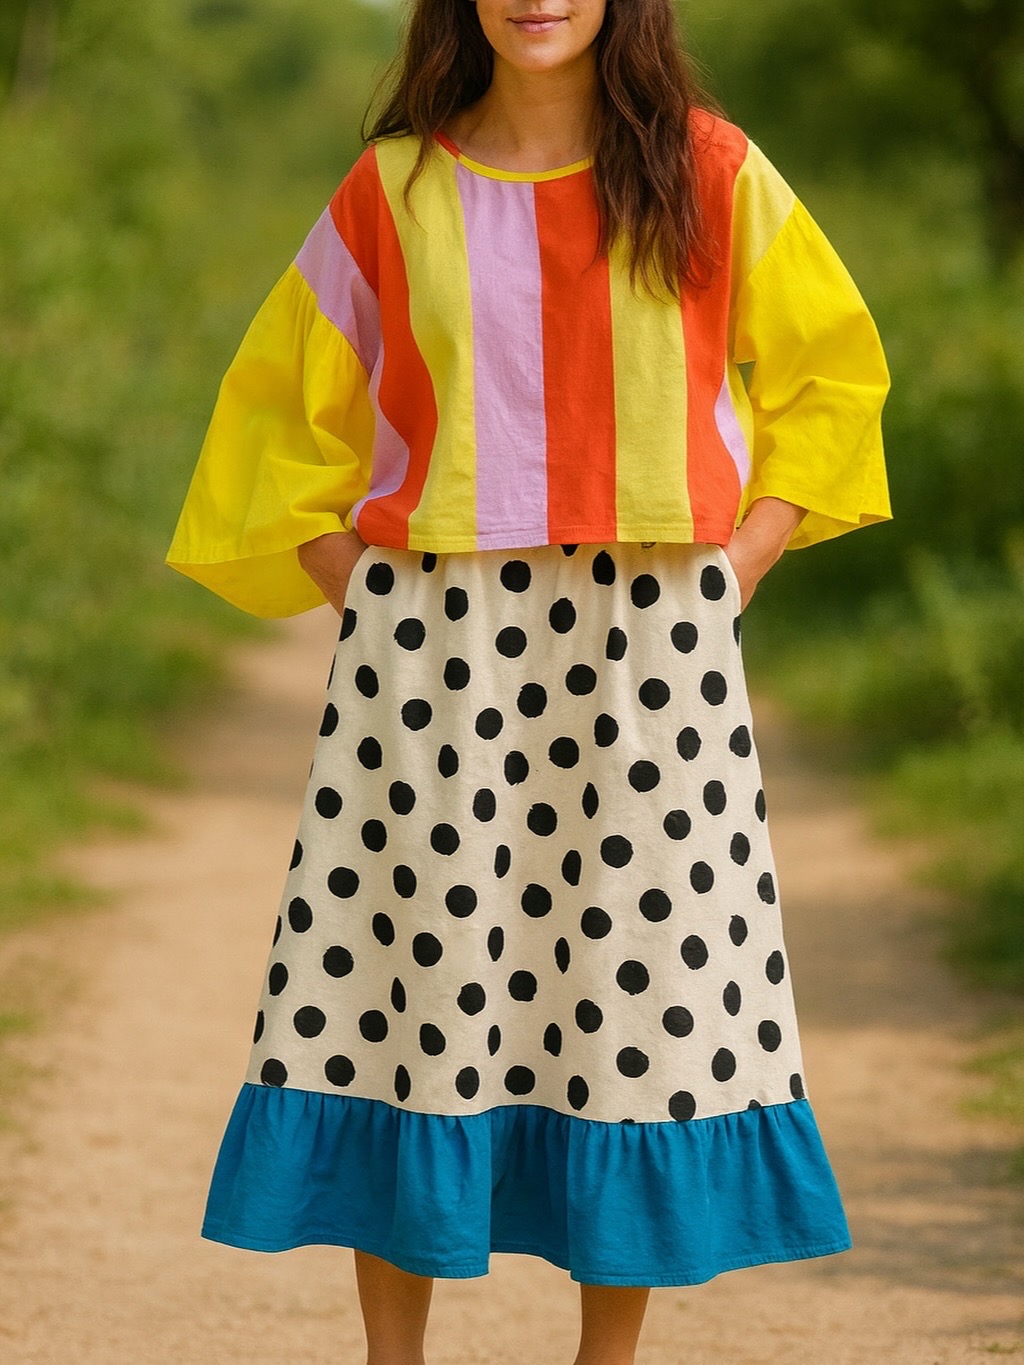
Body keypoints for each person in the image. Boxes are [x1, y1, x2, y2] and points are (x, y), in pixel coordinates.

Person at [166, 0, 891, 1360]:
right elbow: (277, 414)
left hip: (649, 659)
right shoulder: (394, 187)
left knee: (630, 991)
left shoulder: (713, 170)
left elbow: (832, 383)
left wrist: (728, 574)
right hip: (434, 666)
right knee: (405, 994)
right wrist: (370, 597)